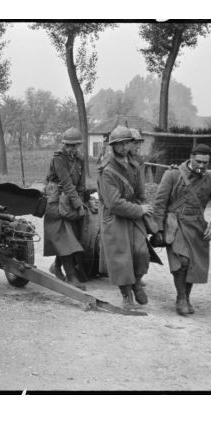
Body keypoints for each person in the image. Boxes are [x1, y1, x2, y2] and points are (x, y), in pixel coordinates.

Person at [152, 143, 211, 316]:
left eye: (205, 163)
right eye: (199, 161)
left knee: (192, 265)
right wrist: (158, 230)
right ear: (191, 158)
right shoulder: (172, 175)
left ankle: (186, 297)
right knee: (182, 261)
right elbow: (159, 204)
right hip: (175, 225)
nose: (201, 166)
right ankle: (181, 298)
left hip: (197, 227)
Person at [97, 125, 154, 308]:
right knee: (121, 258)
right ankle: (126, 296)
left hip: (134, 216)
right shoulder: (107, 170)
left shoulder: (135, 165)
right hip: (115, 218)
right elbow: (114, 203)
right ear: (112, 146)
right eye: (119, 144)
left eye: (126, 143)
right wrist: (140, 210)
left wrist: (144, 208)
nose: (123, 147)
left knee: (142, 253)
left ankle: (136, 283)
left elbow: (140, 193)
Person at [44, 127, 87, 290]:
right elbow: (67, 183)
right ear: (64, 144)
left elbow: (81, 183)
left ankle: (56, 266)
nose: (72, 149)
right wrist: (77, 204)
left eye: (75, 145)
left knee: (70, 237)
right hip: (56, 203)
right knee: (66, 238)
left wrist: (81, 201)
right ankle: (71, 276)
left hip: (71, 201)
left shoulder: (80, 158)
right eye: (69, 145)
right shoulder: (58, 158)